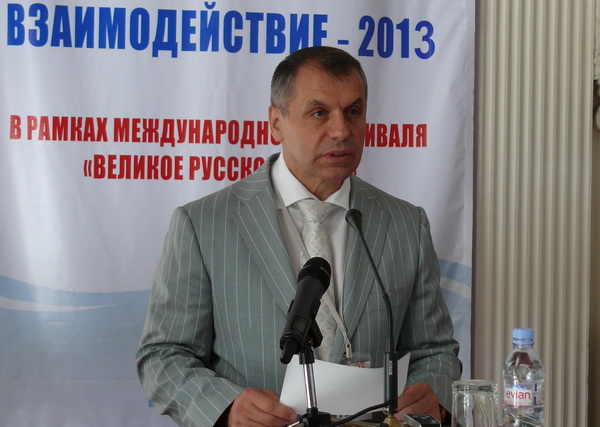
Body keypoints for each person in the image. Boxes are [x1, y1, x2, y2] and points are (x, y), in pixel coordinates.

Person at [136, 46, 461, 427]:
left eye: (353, 112)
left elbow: (434, 350)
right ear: (276, 122)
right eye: (319, 112)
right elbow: (164, 355)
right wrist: (227, 409)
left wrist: (432, 398)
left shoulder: (405, 224)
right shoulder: (203, 224)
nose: (341, 131)